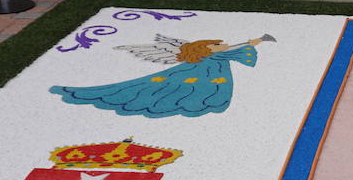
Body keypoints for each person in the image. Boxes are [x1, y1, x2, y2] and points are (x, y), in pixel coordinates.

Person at [50, 34, 273, 118]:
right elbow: (232, 48)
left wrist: (256, 41)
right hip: (199, 74)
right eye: (217, 43)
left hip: (213, 74)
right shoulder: (208, 56)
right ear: (205, 47)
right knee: (157, 87)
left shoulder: (217, 55)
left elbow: (235, 46)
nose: (223, 44)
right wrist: (254, 42)